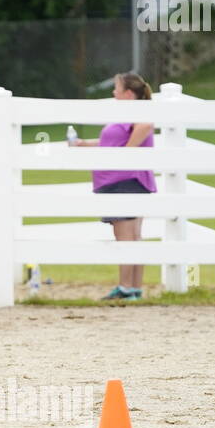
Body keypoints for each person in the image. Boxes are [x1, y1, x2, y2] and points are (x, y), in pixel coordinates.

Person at [70, 72, 156, 300]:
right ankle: (134, 288)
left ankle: (126, 287)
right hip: (124, 180)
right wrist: (83, 144)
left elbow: (146, 126)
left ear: (128, 93)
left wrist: (125, 153)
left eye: (116, 88)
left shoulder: (138, 114)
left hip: (124, 181)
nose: (113, 92)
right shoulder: (125, 116)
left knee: (126, 237)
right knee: (133, 237)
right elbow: (111, 143)